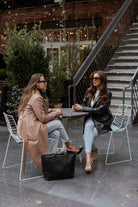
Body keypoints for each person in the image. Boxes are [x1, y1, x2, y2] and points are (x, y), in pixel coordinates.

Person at [17, 73, 83, 172]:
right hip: (30, 129)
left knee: (56, 134)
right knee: (58, 123)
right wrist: (55, 112)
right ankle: (69, 146)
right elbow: (43, 119)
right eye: (43, 81)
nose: (45, 83)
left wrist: (50, 110)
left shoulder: (33, 94)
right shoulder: (36, 97)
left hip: (27, 127)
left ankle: (48, 162)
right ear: (36, 84)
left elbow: (36, 111)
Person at [72, 71, 113, 173]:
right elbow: (84, 104)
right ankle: (88, 161)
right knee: (88, 128)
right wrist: (78, 107)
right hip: (90, 119)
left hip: (102, 121)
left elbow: (100, 110)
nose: (94, 80)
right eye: (93, 78)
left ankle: (90, 157)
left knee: (86, 136)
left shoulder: (107, 94)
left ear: (102, 80)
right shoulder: (89, 91)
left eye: (97, 78)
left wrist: (83, 108)